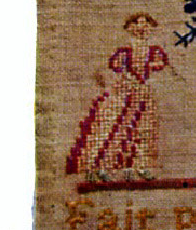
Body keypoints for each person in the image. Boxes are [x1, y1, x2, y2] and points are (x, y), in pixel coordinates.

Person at [66, 12, 168, 180]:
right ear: (130, 28)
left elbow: (161, 64)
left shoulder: (153, 50)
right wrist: (124, 80)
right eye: (139, 24)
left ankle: (139, 167)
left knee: (144, 131)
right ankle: (101, 167)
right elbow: (114, 67)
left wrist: (150, 67)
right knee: (118, 130)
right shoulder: (125, 50)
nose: (143, 28)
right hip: (125, 95)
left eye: (146, 25)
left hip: (144, 95)